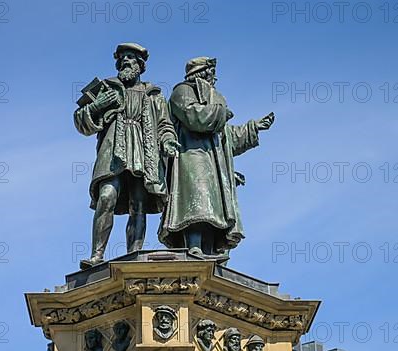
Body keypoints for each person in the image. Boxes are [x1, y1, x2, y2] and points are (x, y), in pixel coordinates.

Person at [74, 43, 179, 268]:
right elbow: (80, 121)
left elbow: (164, 125)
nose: (125, 61)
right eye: (122, 58)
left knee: (139, 203)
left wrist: (168, 141)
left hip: (143, 151)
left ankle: (135, 253)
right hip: (113, 153)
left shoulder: (154, 95)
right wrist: (98, 106)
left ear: (140, 66)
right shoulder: (105, 88)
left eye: (131, 58)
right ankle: (96, 255)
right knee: (107, 197)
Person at [158, 57, 275, 257]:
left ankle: (210, 250)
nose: (214, 78)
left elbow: (226, 136)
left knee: (214, 210)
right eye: (211, 73)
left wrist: (253, 128)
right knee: (196, 206)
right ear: (202, 72)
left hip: (213, 160)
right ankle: (193, 246)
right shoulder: (181, 92)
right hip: (191, 157)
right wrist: (221, 112)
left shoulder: (213, 98)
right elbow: (195, 117)